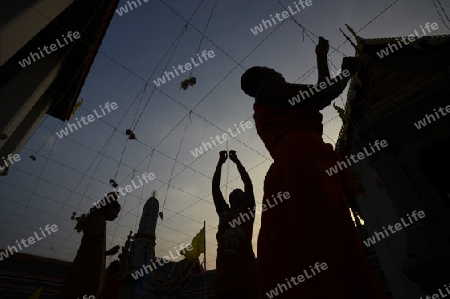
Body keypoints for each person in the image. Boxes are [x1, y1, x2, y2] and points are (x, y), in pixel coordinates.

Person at [240, 37, 387, 298]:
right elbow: (321, 95)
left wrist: (321, 57)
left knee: (322, 235)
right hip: (301, 162)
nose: (279, 72)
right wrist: (346, 72)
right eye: (273, 70)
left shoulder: (271, 99)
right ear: (264, 76)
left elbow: (321, 92)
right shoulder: (267, 88)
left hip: (303, 160)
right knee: (326, 234)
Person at [58, 192, 121, 299]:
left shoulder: (99, 220)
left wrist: (107, 253)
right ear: (109, 208)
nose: (116, 216)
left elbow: (93, 248)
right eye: (116, 212)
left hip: (88, 265)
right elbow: (91, 248)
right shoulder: (98, 220)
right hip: (87, 268)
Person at [212, 150, 258, 299]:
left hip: (246, 274)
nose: (235, 192)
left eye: (239, 192)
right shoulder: (224, 213)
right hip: (224, 276)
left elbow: (248, 183)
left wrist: (236, 161)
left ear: (245, 198)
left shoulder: (248, 211)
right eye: (233, 192)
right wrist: (220, 162)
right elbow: (215, 188)